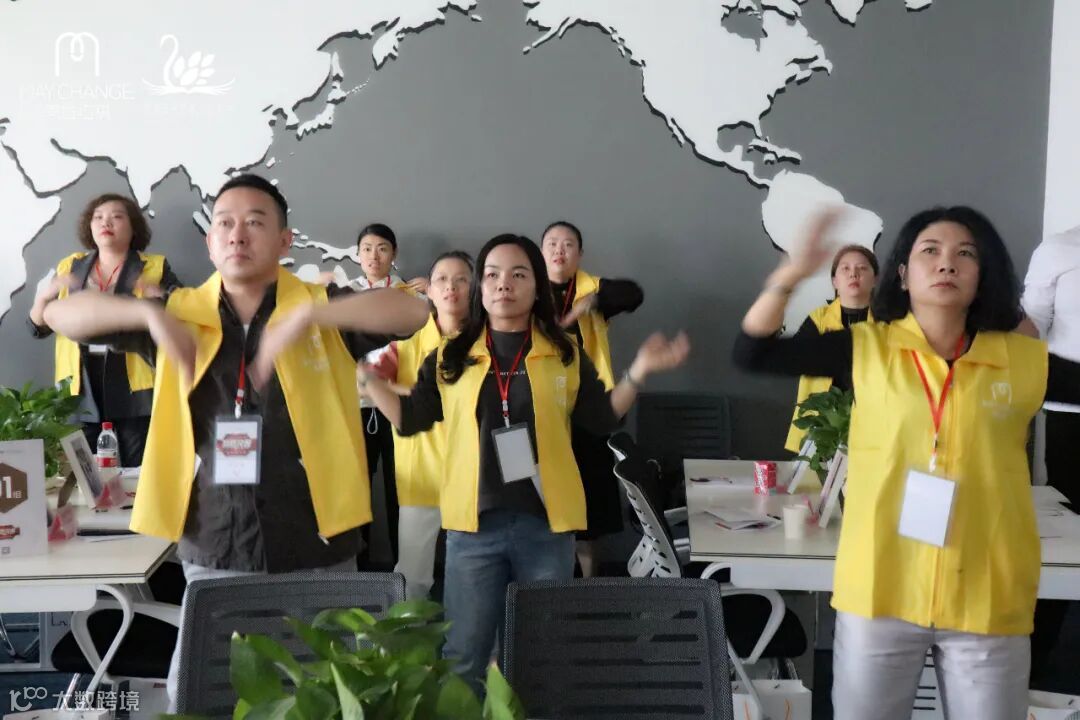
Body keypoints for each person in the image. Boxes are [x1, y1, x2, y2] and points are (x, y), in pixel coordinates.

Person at [39, 174, 430, 706]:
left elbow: (414, 312)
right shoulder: (181, 312)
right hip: (217, 538)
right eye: (224, 223)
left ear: (285, 240)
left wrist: (315, 315)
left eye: (254, 222)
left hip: (319, 538)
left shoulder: (320, 305)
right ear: (210, 242)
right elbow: (60, 315)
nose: (237, 234)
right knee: (206, 695)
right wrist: (147, 313)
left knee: (326, 696)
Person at [733, 206, 1080, 720]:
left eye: (966, 254)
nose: (947, 263)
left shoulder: (1022, 360)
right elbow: (752, 353)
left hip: (988, 595)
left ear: (983, 275)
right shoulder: (865, 349)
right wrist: (792, 272)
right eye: (930, 251)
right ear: (902, 273)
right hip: (881, 590)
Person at [359, 234, 689, 689]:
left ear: (537, 287)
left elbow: (601, 418)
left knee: (542, 652)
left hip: (546, 527)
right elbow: (411, 418)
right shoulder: (452, 355)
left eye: (518, 275)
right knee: (464, 655)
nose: (503, 285)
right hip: (472, 529)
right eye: (492, 275)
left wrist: (639, 371)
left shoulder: (564, 353)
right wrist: (370, 381)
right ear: (481, 287)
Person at [28, 193, 182, 466]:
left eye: (116, 217)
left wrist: (160, 296)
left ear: (133, 227)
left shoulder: (155, 266)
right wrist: (44, 297)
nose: (105, 223)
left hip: (133, 382)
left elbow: (182, 313)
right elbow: (37, 327)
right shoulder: (70, 265)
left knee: (139, 470)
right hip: (81, 382)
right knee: (86, 473)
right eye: (98, 217)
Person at [540, 220, 643, 576]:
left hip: (587, 408)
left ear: (580, 254)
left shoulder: (591, 288)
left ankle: (587, 581)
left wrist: (591, 303)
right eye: (552, 243)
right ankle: (545, 580)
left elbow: (633, 294)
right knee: (543, 496)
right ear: (540, 252)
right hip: (541, 408)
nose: (559, 250)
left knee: (589, 499)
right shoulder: (527, 290)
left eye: (568, 244)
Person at [388, 250, 473, 598]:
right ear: (430, 290)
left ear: (474, 289)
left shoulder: (489, 340)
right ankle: (406, 633)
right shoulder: (404, 339)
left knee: (474, 572)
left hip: (472, 473)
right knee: (413, 575)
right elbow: (369, 385)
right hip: (420, 469)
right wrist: (406, 393)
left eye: (461, 280)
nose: (451, 287)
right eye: (442, 280)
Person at [1021, 227, 1080, 682]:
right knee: (1067, 541)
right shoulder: (1061, 248)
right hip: (1071, 414)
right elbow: (1029, 329)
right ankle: (1037, 672)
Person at [347, 222, 425, 566]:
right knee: (357, 491)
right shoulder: (343, 296)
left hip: (397, 403)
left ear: (393, 253)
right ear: (357, 255)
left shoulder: (411, 296)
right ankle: (359, 575)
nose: (374, 256)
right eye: (367, 249)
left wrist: (432, 291)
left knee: (400, 490)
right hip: (356, 405)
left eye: (382, 248)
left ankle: (402, 573)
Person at [784, 244, 878, 453]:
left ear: (875, 279)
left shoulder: (887, 322)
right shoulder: (818, 318)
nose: (853, 274)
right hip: (822, 423)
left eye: (862, 268)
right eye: (845, 268)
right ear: (835, 281)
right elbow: (796, 360)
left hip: (872, 420)